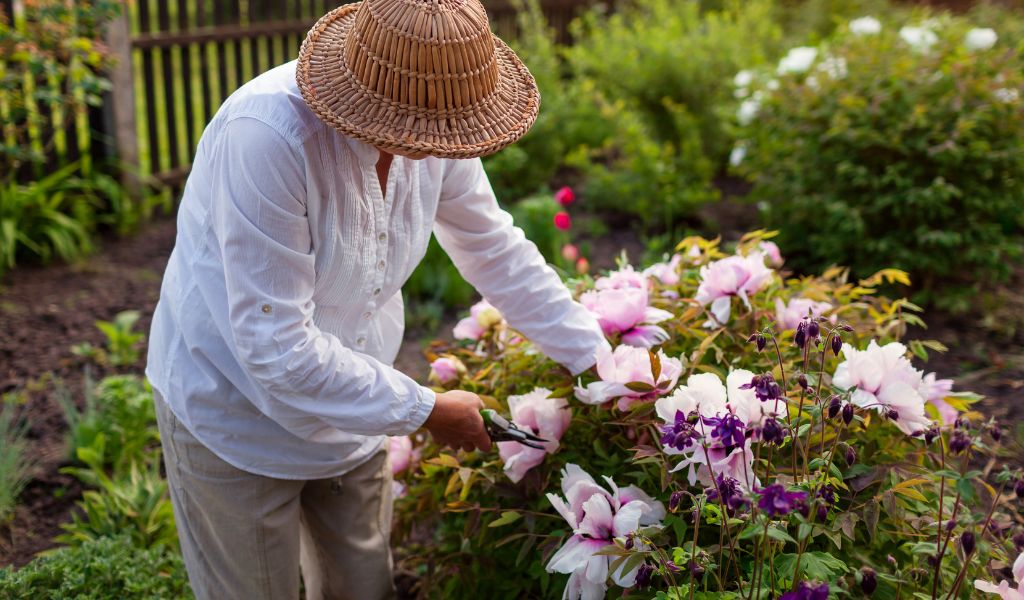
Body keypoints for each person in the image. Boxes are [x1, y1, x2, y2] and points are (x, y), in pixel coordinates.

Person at [145, 0, 608, 599]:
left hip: (354, 409)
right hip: (235, 412)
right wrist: (425, 410)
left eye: (451, 130)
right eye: (421, 130)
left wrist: (597, 363)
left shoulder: (442, 122)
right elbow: (275, 348)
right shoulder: (267, 136)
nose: (438, 144)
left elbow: (494, 247)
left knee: (363, 587)